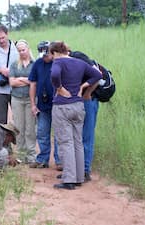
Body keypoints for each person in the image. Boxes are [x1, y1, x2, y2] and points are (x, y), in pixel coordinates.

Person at [49, 41, 101, 190]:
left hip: (62, 106)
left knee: (66, 142)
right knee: (77, 141)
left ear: (54, 53)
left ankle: (69, 179)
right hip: (78, 106)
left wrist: (59, 88)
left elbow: (54, 74)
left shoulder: (58, 62)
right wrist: (83, 86)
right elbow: (97, 75)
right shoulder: (79, 62)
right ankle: (79, 177)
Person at [28, 41, 62, 170]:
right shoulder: (37, 64)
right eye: (43, 54)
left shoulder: (58, 63)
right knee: (42, 132)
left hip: (58, 104)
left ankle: (60, 160)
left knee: (59, 133)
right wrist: (33, 104)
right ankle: (43, 159)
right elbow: (33, 84)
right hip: (42, 105)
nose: (45, 57)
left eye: (47, 54)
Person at [9, 39, 36, 164]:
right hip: (17, 99)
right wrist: (28, 80)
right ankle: (20, 154)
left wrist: (21, 79)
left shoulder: (35, 64)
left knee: (30, 128)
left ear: (28, 49)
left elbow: (35, 81)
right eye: (19, 51)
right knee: (19, 127)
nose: (22, 52)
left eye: (23, 50)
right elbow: (12, 82)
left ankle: (31, 155)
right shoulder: (14, 64)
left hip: (30, 99)